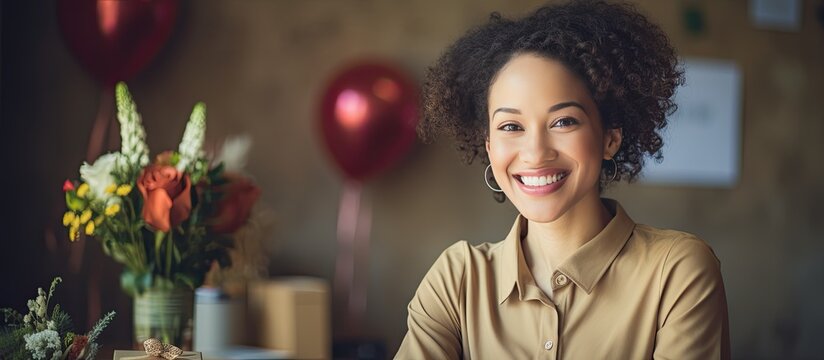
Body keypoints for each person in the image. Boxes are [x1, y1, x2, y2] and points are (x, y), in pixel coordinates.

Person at [395, 1, 730, 359]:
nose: (535, 153)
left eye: (563, 121)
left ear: (609, 139)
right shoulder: (457, 279)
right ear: (490, 148)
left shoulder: (677, 272)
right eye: (511, 127)